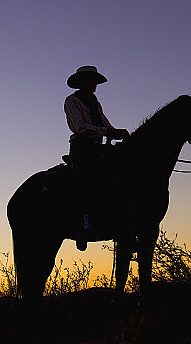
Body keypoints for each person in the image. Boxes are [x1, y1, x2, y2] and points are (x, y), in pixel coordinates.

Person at [64, 65, 129, 250]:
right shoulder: (72, 101)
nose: (95, 84)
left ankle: (120, 219)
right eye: (93, 80)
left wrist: (115, 132)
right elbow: (79, 127)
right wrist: (108, 131)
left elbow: (104, 122)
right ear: (84, 81)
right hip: (81, 147)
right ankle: (82, 224)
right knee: (85, 180)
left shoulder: (95, 101)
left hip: (98, 146)